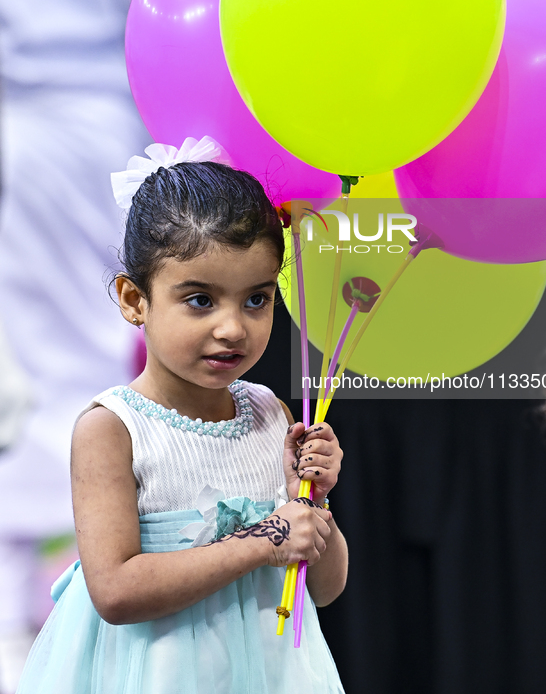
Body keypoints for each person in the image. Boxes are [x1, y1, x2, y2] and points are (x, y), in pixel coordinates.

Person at [15, 137, 347, 694]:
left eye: (256, 299)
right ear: (133, 299)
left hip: (266, 673)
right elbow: (116, 592)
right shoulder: (111, 429)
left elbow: (323, 589)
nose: (232, 328)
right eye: (199, 300)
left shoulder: (271, 414)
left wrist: (314, 504)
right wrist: (265, 538)